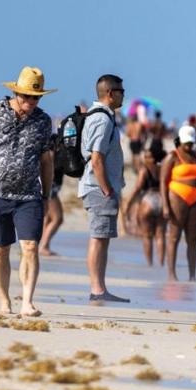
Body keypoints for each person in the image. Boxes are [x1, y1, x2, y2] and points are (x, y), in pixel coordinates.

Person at [0, 67, 55, 317]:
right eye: (27, 96)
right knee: (0, 248)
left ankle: (27, 301)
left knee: (30, 246)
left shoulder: (43, 121)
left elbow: (46, 159)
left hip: (30, 195)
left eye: (36, 97)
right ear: (16, 92)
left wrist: (47, 195)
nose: (31, 102)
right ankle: (4, 300)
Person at [78, 74, 129, 302]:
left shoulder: (103, 116)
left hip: (100, 186)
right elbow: (96, 157)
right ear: (110, 93)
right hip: (98, 188)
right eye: (121, 91)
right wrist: (107, 188)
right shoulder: (102, 119)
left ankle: (100, 288)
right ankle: (97, 289)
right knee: (98, 237)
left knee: (103, 238)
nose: (123, 94)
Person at [161, 125, 196, 281]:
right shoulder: (172, 157)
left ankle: (192, 276)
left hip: (195, 201)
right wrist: (165, 205)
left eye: (191, 143)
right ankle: (171, 275)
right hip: (177, 198)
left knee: (192, 240)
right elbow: (163, 182)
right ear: (180, 141)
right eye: (186, 143)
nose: (189, 146)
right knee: (174, 237)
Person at [124, 140, 167, 266]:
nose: (145, 158)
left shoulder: (144, 170)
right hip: (161, 200)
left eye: (147, 156)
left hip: (148, 201)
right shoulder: (163, 168)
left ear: (153, 158)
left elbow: (137, 188)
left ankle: (149, 264)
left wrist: (129, 203)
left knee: (147, 236)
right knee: (160, 235)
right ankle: (161, 263)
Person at [39, 160, 65, 257]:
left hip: (52, 183)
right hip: (50, 184)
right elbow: (49, 159)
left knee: (48, 219)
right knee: (57, 218)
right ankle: (43, 246)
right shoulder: (53, 146)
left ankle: (44, 245)